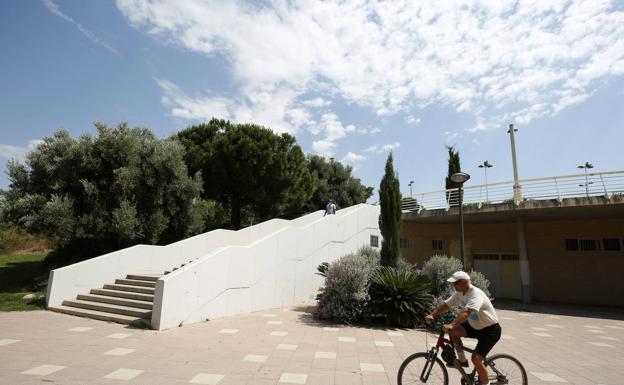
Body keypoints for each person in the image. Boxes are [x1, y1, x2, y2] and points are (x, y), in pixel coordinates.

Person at [425, 271, 501, 385]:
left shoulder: (475, 294)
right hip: (475, 326)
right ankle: (462, 360)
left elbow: (467, 311)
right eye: (453, 283)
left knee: (476, 359)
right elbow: (446, 305)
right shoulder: (459, 293)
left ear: (465, 282)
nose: (453, 285)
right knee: (453, 332)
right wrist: (432, 314)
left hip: (490, 330)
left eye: (456, 283)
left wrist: (452, 324)